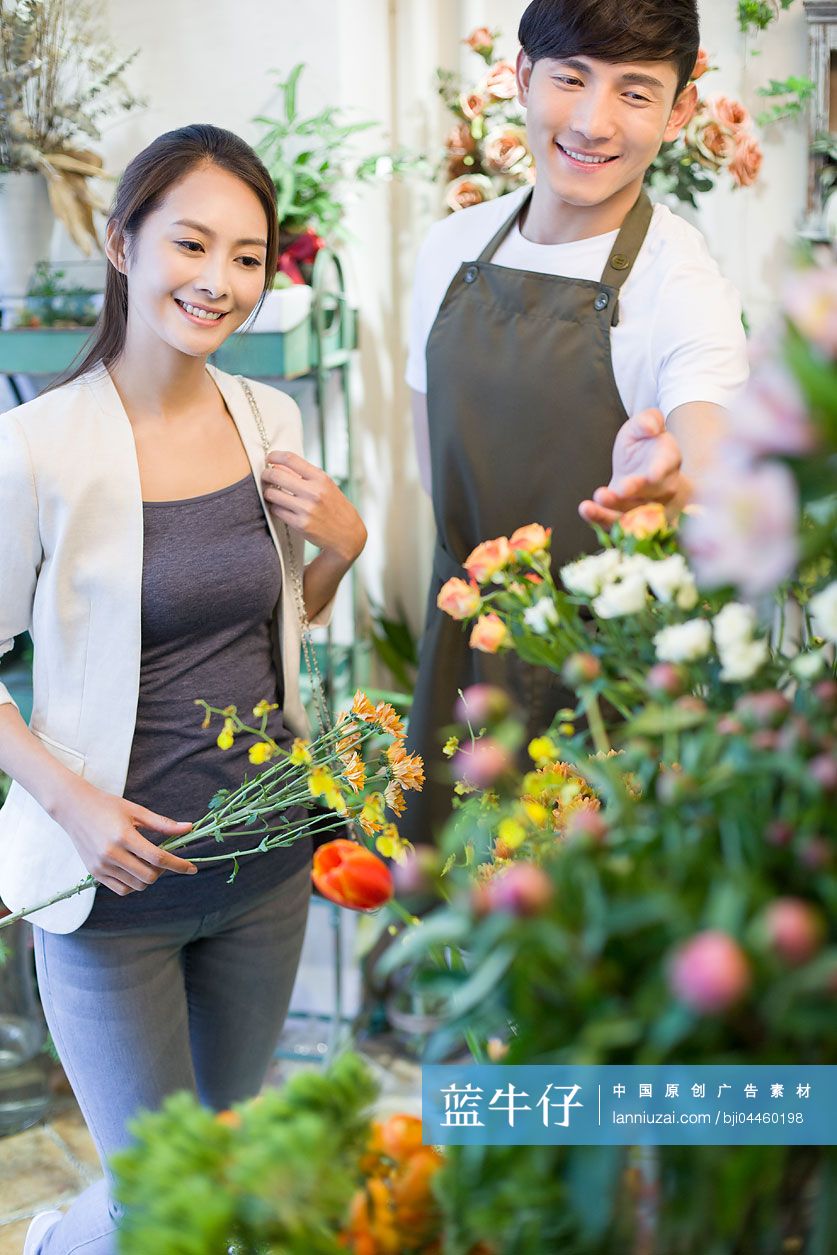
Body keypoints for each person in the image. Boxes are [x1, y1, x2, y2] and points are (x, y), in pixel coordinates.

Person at [0, 124, 366, 1254]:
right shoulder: (37, 448)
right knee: (159, 1209)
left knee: (223, 1183)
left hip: (264, 876)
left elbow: (269, 627)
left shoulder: (271, 421)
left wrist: (343, 548)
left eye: (248, 256)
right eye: (191, 244)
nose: (219, 282)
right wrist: (75, 804)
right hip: (114, 903)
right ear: (121, 245)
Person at [402, 0, 749, 842]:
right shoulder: (450, 248)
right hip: (462, 656)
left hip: (605, 683)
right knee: (459, 931)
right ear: (521, 79)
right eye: (569, 78)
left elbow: (702, 444)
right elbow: (430, 459)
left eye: (634, 93)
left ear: (677, 116)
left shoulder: (680, 282)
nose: (592, 123)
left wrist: (673, 486)